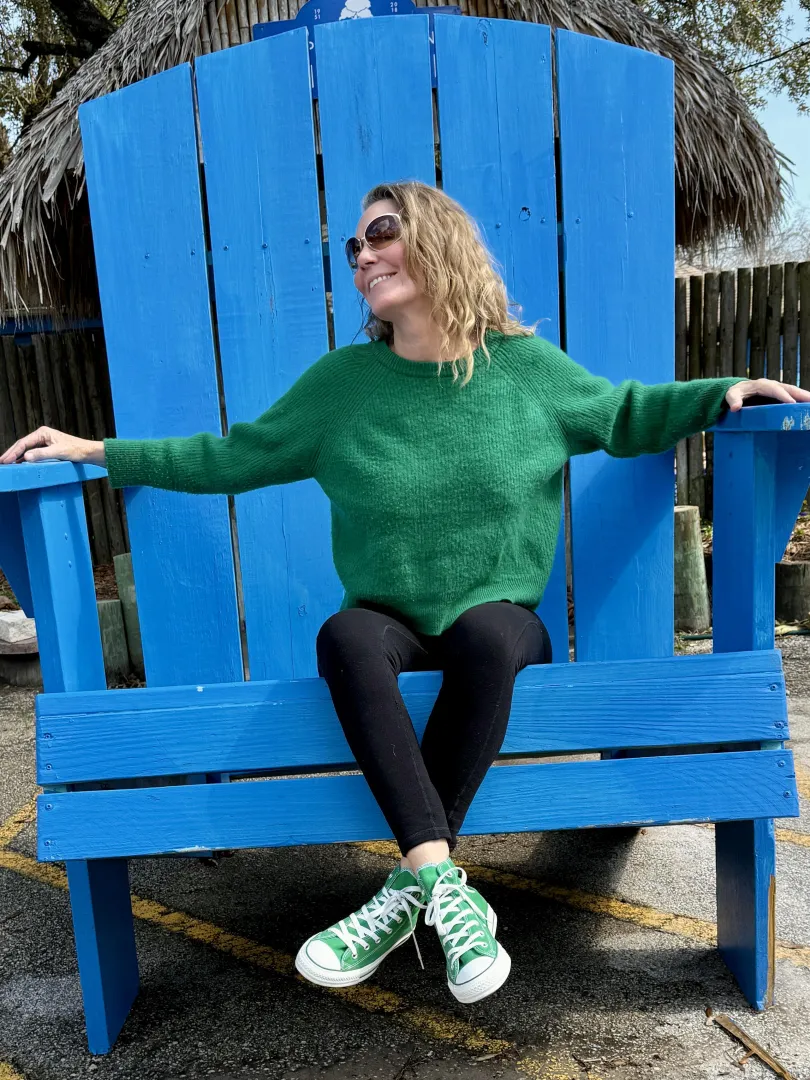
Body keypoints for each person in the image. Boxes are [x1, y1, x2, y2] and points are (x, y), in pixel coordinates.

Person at [3, 181, 808, 1005]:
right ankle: (437, 887)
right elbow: (229, 458)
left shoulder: (525, 372)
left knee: (489, 641)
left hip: (499, 618)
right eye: (353, 249)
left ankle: (400, 897)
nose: (362, 258)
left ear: (438, 241)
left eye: (379, 234)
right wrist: (96, 448)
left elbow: (625, 412)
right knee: (344, 637)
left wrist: (720, 395)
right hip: (389, 619)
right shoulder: (341, 387)